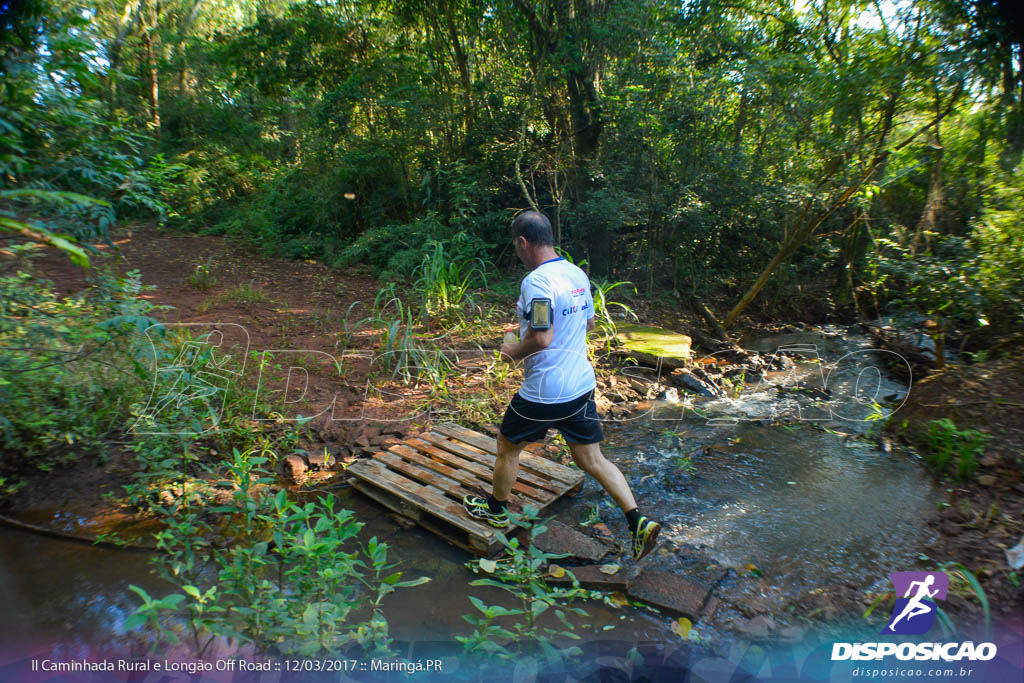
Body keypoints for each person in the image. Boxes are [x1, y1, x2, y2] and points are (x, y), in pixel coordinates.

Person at [462, 210, 662, 562]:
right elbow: (588, 323)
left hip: (545, 391)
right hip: (581, 384)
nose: (517, 252)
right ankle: (637, 520)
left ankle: (495, 508)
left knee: (508, 446)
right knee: (591, 458)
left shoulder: (537, 282)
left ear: (523, 242)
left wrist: (512, 352)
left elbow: (541, 338)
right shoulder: (576, 273)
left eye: (516, 246)